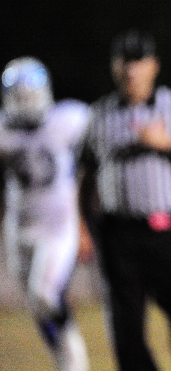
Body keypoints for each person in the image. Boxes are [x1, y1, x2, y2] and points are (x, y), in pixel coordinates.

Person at [79, 29, 171, 371]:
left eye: (138, 61)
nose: (131, 70)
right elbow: (85, 175)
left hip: (167, 228)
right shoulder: (99, 115)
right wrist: (82, 224)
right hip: (118, 233)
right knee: (125, 328)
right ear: (114, 67)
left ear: (153, 65)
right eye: (125, 61)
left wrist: (167, 143)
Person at [0, 56, 92, 370]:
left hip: (57, 227)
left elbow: (100, 133)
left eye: (30, 96)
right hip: (18, 227)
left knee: (44, 294)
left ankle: (75, 361)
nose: (25, 104)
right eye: (19, 98)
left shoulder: (66, 119)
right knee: (37, 305)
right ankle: (64, 360)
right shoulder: (4, 130)